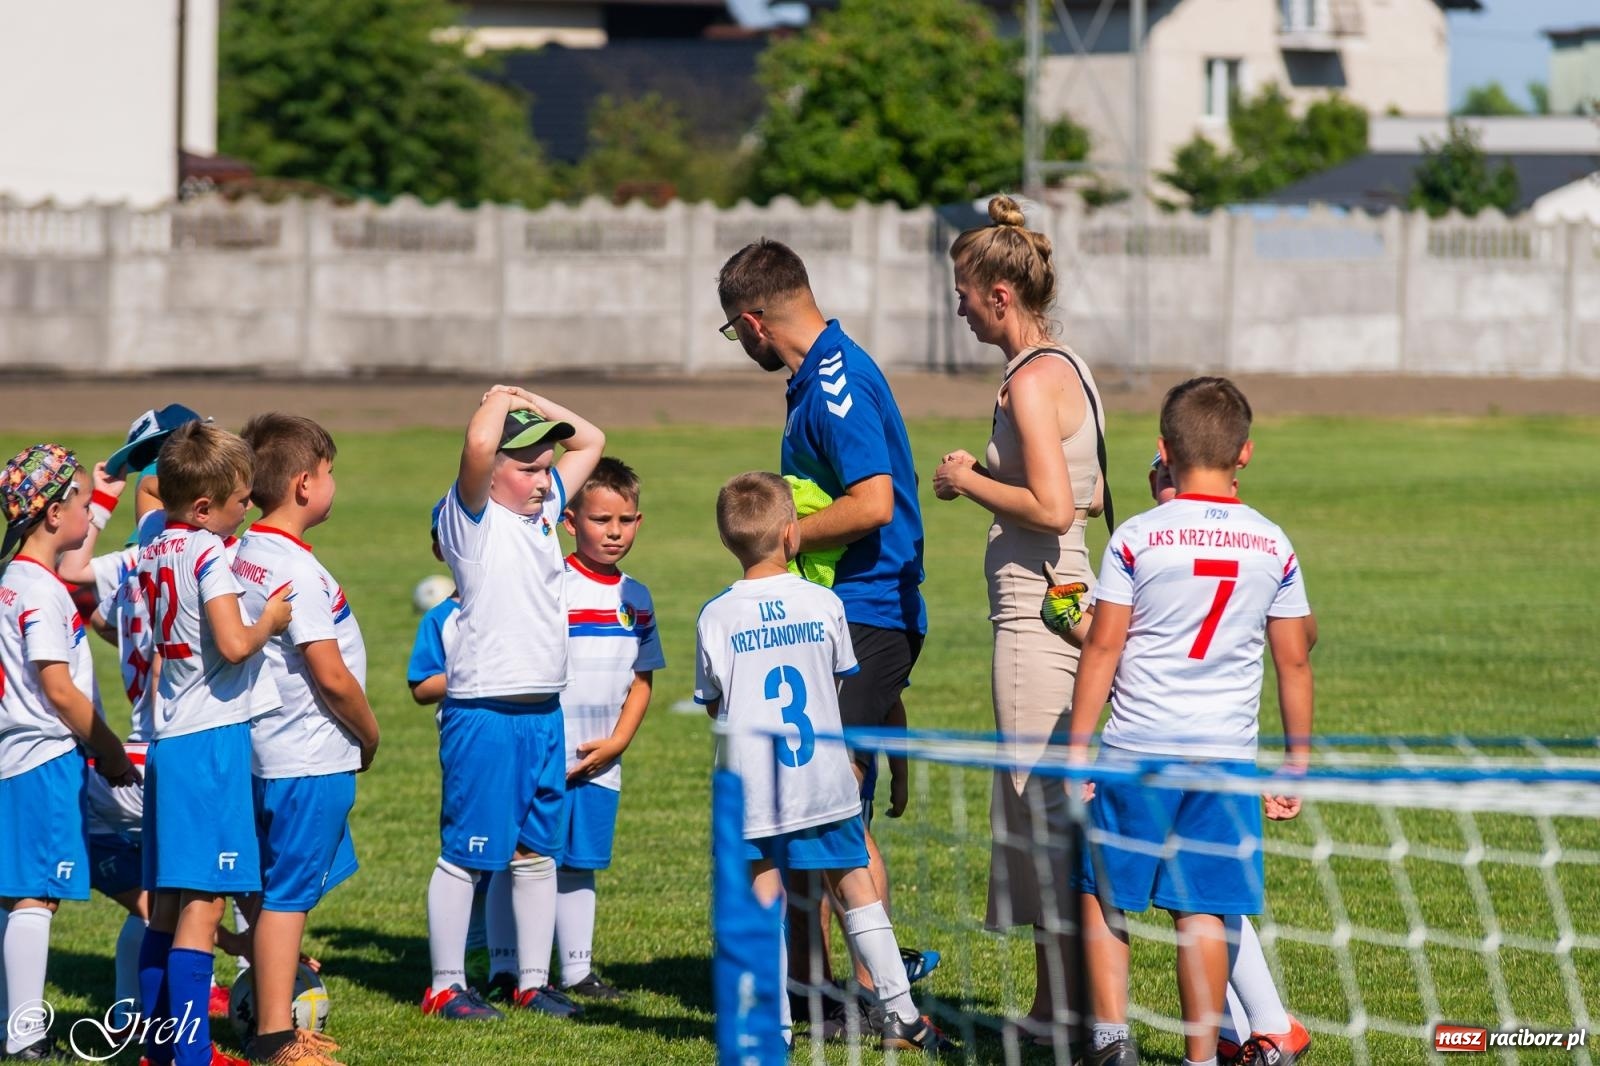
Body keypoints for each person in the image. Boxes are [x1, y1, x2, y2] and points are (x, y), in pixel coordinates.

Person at [1067, 377, 1314, 1066]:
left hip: (1136, 749)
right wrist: (1295, 762)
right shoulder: (1273, 544)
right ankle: (1201, 1058)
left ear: (1163, 451)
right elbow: (1295, 662)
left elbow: (1104, 646)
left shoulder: (1138, 536)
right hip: (1225, 761)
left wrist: (1080, 751)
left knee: (1101, 890)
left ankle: (1112, 1042)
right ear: (1246, 456)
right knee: (1204, 908)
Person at [717, 238, 931, 1016]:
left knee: (828, 806)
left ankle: (885, 995)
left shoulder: (834, 385)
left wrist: (784, 542)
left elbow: (874, 503)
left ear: (752, 321)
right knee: (819, 806)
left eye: (733, 334)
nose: (740, 346)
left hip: (868, 609)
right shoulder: (819, 375)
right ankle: (813, 987)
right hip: (854, 618)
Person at [930, 193, 1109, 1039]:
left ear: (1000, 295)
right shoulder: (1069, 367)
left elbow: (1051, 504)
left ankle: (1064, 1010)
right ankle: (1059, 1003)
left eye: (962, 290)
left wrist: (969, 481)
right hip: (1072, 600)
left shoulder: (1032, 381)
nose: (957, 306)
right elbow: (1094, 493)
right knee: (1050, 802)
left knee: (1035, 799)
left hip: (1037, 617)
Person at [693, 472, 949, 1054]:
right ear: (792, 534)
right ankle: (901, 1014)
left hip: (755, 788)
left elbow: (715, 706)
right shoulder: (826, 603)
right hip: (825, 784)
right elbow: (836, 682)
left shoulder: (717, 615)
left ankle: (772, 1029)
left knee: (765, 899)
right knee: (856, 887)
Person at [422, 385, 604, 1021]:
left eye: (544, 468)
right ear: (491, 474)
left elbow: (592, 440)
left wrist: (530, 401)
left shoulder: (544, 509)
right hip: (485, 711)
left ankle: (530, 980)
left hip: (541, 710)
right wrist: (498, 397)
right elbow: (477, 442)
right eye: (525, 467)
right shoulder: (471, 517)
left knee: (536, 851)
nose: (541, 477)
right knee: (467, 856)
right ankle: (445, 984)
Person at [135, 421, 293, 1066]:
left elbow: (151, 489)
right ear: (204, 509)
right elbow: (232, 644)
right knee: (204, 904)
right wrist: (271, 621)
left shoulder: (151, 544)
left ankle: (152, 1045)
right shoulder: (207, 554)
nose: (249, 508)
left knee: (167, 909)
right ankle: (193, 1054)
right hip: (210, 740)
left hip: (167, 739)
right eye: (241, 499)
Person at [480, 458, 664, 1001]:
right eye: (601, 519)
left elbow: (642, 681)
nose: (614, 531)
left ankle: (578, 970)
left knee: (580, 865)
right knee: (520, 864)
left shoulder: (637, 597)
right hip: (541, 752)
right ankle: (505, 967)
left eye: (626, 520)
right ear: (569, 521)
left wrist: (619, 742)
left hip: (601, 760)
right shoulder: (549, 584)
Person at [233, 413, 381, 1066]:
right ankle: (275, 1039)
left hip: (266, 752)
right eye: (328, 473)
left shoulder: (243, 552)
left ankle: (271, 996)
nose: (331, 484)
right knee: (287, 899)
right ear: (302, 485)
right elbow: (331, 673)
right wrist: (369, 734)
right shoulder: (295, 571)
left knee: (274, 894)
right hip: (308, 756)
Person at [0, 444, 141, 1061]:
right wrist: (108, 751)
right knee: (36, 894)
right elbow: (57, 686)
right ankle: (26, 1035)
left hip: (17, 757)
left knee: (15, 892)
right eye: (83, 500)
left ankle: (11, 1021)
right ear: (54, 514)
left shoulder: (15, 582)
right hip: (42, 759)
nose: (89, 513)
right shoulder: (39, 591)